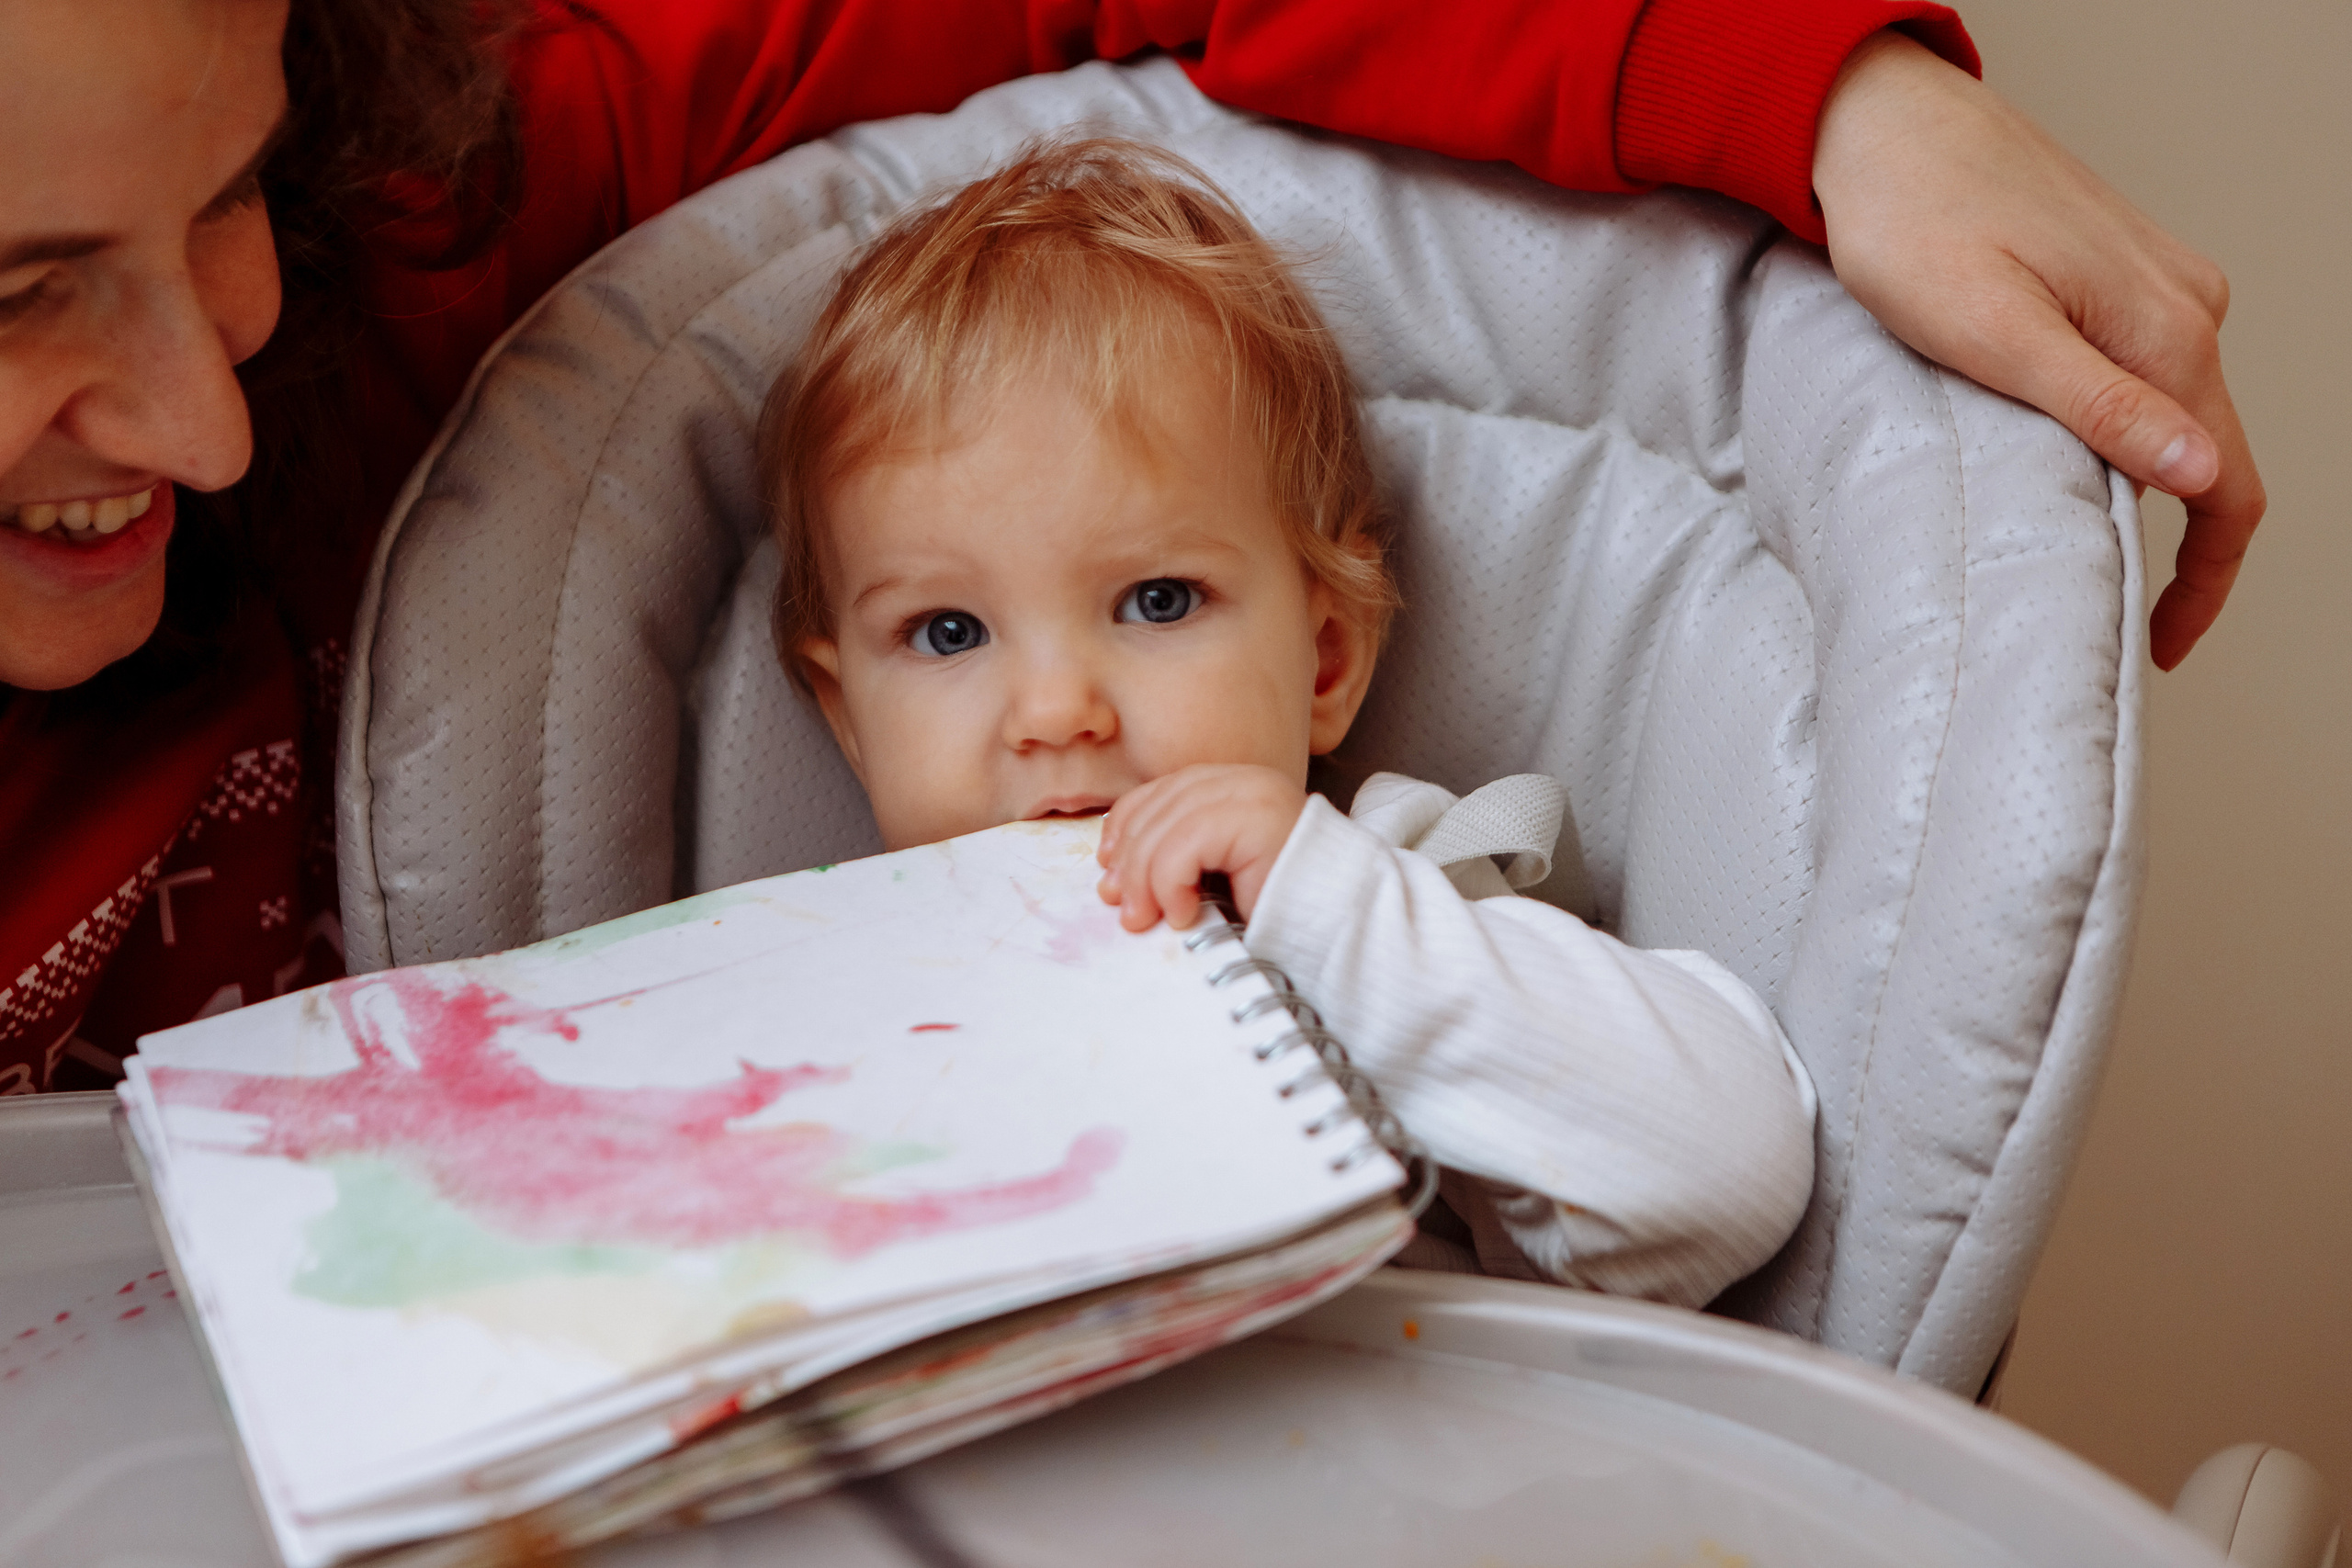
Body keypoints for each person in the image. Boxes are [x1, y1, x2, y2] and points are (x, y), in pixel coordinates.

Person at [0, 0, 2263, 1096]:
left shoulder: (419, 222)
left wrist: (1833, 102)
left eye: (222, 193)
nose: (209, 411)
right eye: (21, 291)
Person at [767, 139, 1815, 1305]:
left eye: (1156, 602)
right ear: (847, 715)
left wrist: (1332, 905)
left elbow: (1739, 1171)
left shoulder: (1397, 899)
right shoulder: (801, 994)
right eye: (949, 633)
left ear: (1324, 661)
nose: (1057, 711)